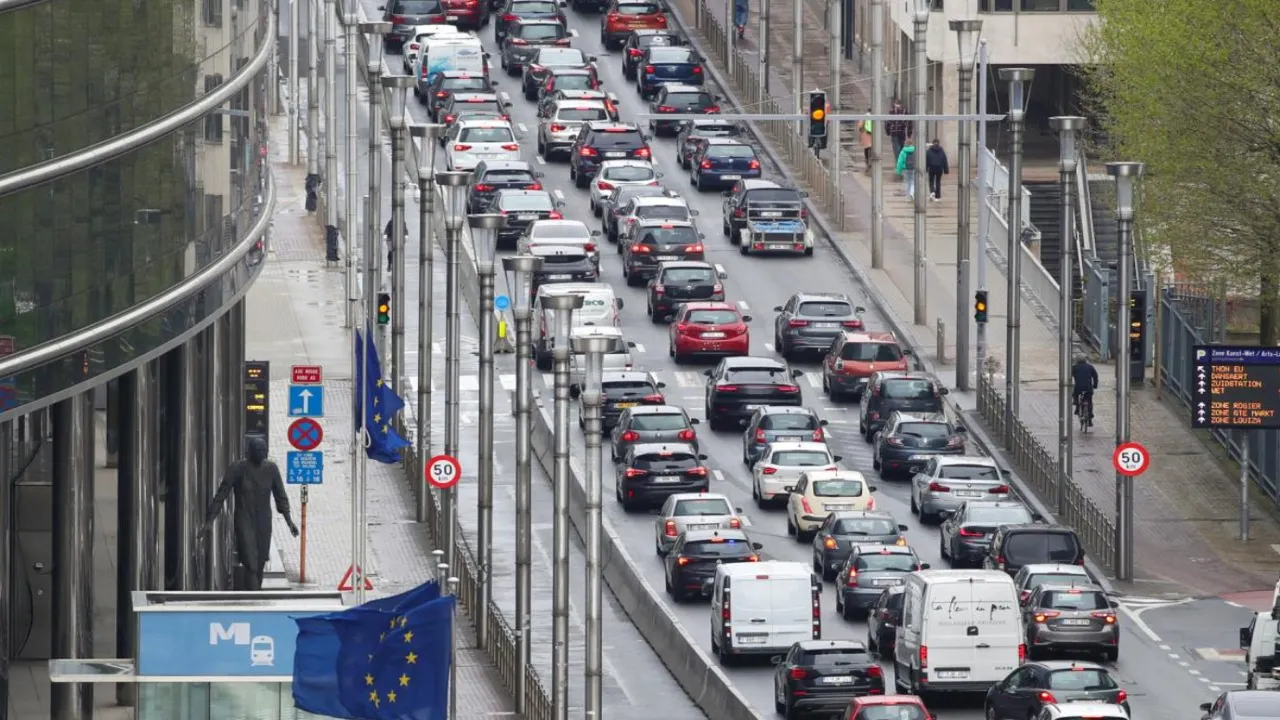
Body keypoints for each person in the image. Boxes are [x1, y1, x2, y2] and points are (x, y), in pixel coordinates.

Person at [205, 437, 300, 591]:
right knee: (251, 562)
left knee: (261, 561)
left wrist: (289, 522)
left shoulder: (271, 469)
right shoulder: (238, 468)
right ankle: (254, 597)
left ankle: (256, 593)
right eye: (259, 450)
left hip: (263, 520)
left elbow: (280, 496)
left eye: (264, 451)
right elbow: (221, 494)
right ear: (250, 452)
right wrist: (210, 520)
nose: (262, 454)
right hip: (244, 519)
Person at [895, 136, 917, 201]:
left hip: (905, 169)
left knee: (907, 182)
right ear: (912, 144)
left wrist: (898, 171)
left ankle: (908, 197)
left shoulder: (903, 151)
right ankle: (912, 193)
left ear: (906, 144)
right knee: (913, 181)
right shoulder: (915, 150)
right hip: (913, 168)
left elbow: (900, 161)